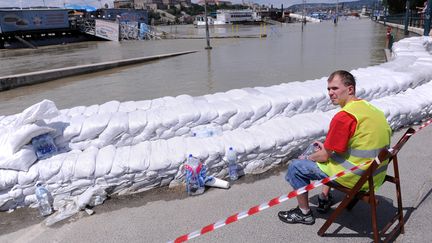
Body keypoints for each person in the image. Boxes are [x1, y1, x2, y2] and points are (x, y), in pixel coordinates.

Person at [278, 70, 392, 225]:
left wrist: (308, 157)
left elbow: (325, 156)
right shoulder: (370, 109)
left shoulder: (344, 117)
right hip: (374, 175)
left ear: (350, 89)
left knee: (295, 167)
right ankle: (324, 198)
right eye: (328, 89)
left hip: (356, 178)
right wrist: (326, 149)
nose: (330, 93)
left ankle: (304, 213)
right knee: (326, 151)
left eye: (335, 88)